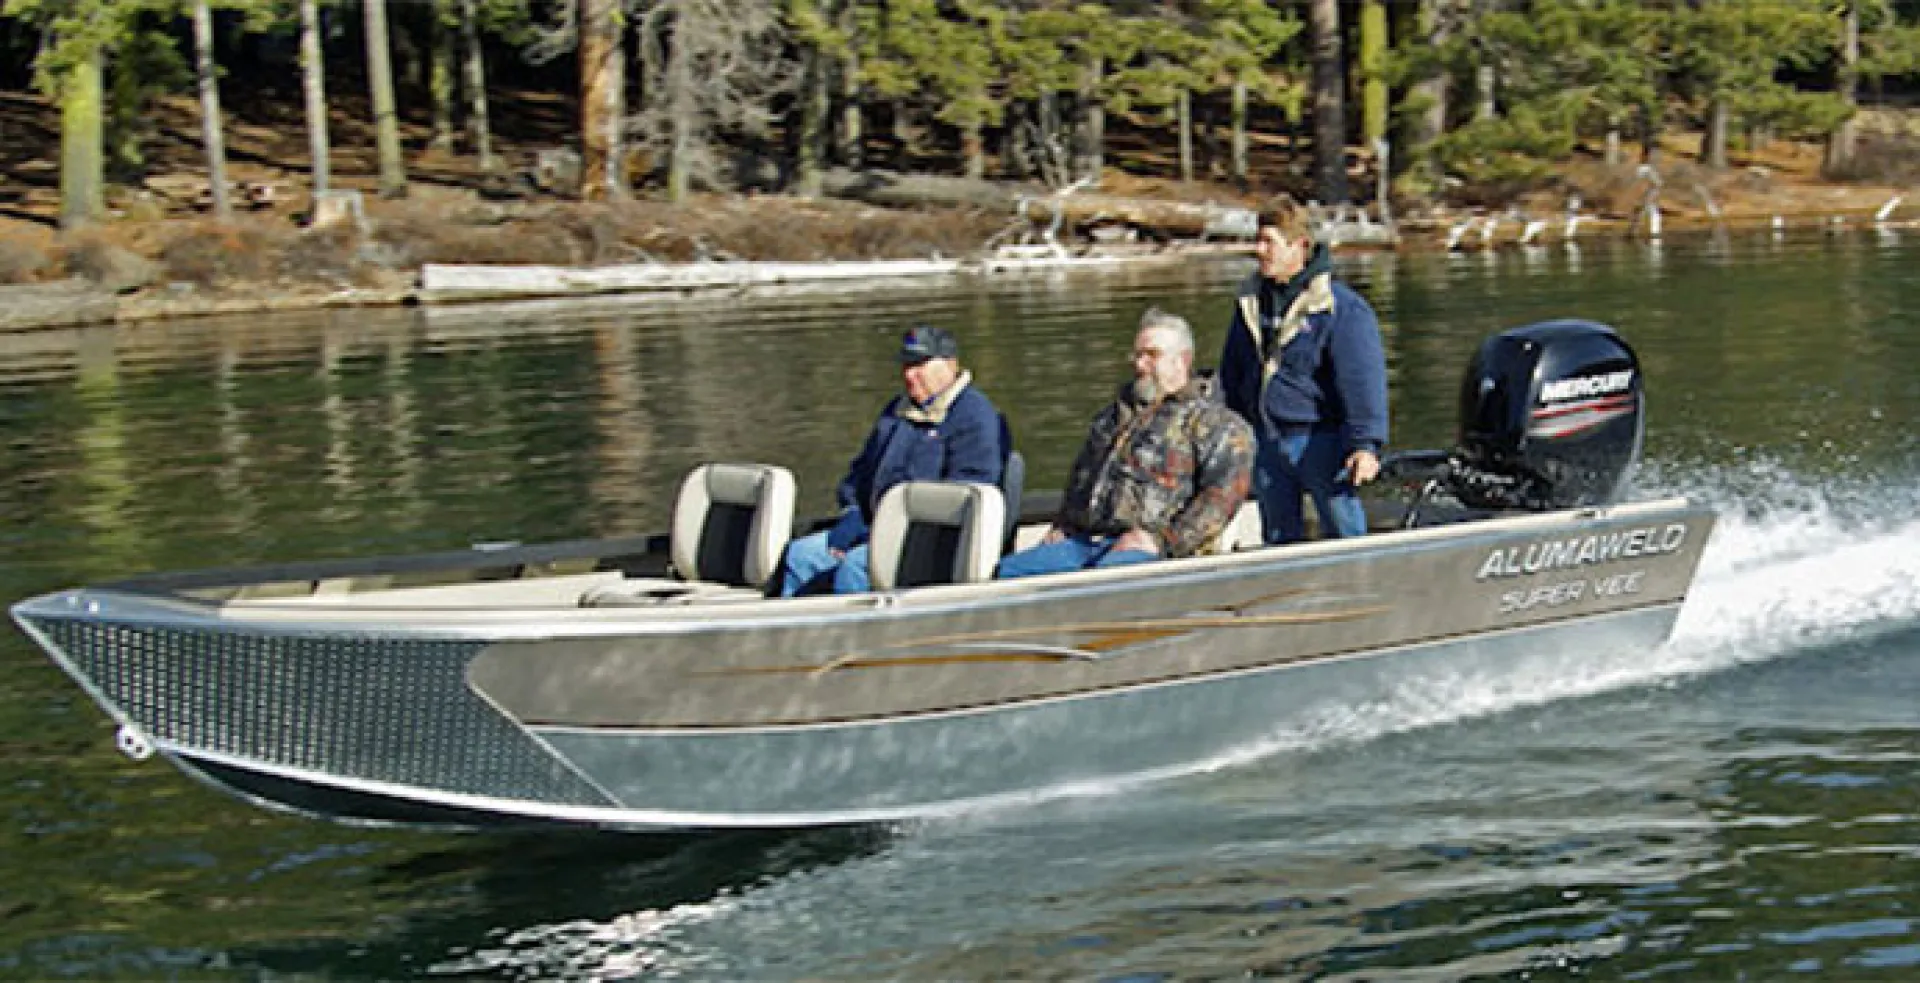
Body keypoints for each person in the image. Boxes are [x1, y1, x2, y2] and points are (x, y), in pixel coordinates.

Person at [997, 309, 1254, 579]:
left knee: (1106, 578)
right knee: (1010, 571)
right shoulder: (1110, 418)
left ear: (1182, 361)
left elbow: (1220, 499)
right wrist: (1063, 525)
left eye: (1152, 355)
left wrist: (1163, 541)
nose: (1140, 365)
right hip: (1083, 542)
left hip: (1152, 549)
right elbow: (1080, 479)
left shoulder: (1216, 424)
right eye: (1138, 355)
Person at [779, 325, 1005, 595]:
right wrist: (852, 515)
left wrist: (890, 532)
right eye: (906, 366)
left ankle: (856, 632)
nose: (910, 375)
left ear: (950, 364)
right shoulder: (897, 412)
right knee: (801, 555)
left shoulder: (975, 417)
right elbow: (859, 473)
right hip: (872, 527)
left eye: (920, 365)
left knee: (856, 566)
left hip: (929, 539)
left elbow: (970, 492)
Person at [1219, 193, 1389, 545]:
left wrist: (1365, 445)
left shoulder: (1339, 308)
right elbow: (1233, 372)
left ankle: (1361, 584)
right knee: (1279, 536)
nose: (1259, 250)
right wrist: (1232, 432)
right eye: (1258, 240)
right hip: (1266, 441)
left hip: (1320, 440)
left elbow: (1362, 381)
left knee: (1344, 532)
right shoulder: (1250, 304)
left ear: (1300, 246)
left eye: (1269, 242)